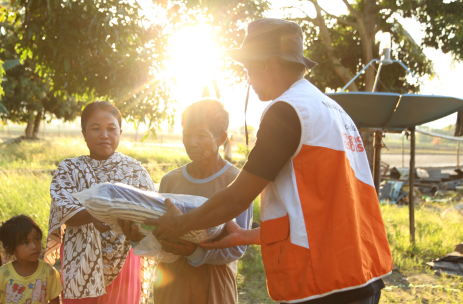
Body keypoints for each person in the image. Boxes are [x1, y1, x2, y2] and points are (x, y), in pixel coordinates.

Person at [146, 19, 393, 304]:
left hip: (323, 283)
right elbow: (318, 212)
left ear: (264, 63)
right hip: (361, 275)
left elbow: (236, 198)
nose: (248, 77)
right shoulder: (333, 110)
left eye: (247, 67)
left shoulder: (287, 111)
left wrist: (180, 224)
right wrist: (245, 236)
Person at [120, 99, 253, 304]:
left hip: (214, 285)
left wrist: (194, 251)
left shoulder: (236, 181)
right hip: (172, 285)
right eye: (187, 135)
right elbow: (160, 233)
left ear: (221, 138)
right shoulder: (170, 181)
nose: (192, 142)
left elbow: (237, 247)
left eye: (201, 135)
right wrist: (138, 238)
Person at [45, 101, 155, 303]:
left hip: (125, 259)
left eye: (111, 129)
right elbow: (62, 208)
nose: (104, 135)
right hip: (80, 260)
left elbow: (151, 211)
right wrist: (93, 215)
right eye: (96, 129)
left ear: (120, 132)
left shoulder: (134, 170)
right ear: (84, 133)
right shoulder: (69, 169)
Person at [0, 215, 62, 304]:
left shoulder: (48, 272)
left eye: (37, 239)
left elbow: (54, 300)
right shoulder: (3, 274)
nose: (34, 246)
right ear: (11, 250)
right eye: (26, 242)